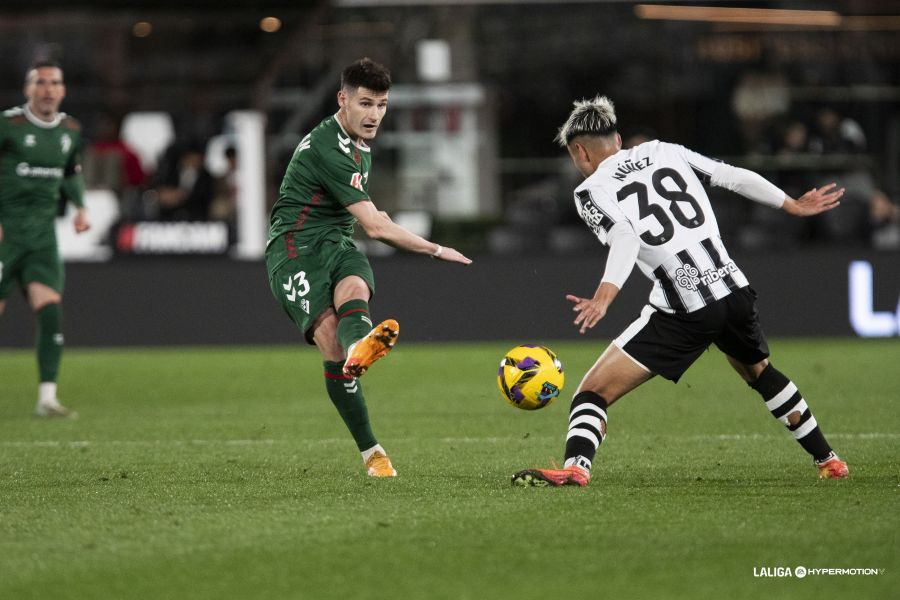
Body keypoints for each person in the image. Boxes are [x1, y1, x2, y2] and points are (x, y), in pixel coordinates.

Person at [513, 95, 848, 487]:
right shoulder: (665, 150)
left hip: (684, 309)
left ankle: (576, 468)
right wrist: (789, 203)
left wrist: (605, 294)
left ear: (580, 152)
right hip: (733, 289)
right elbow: (731, 175)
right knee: (760, 373)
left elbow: (624, 236)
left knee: (591, 393)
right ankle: (828, 459)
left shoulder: (591, 190)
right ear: (618, 139)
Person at [265, 58, 471, 477]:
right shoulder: (329, 147)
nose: (374, 115)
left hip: (336, 242)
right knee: (329, 341)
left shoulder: (357, 144)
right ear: (343, 99)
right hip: (293, 251)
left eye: (381, 104)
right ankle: (371, 452)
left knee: (356, 285)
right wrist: (435, 249)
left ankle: (361, 346)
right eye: (365, 104)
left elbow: (367, 216)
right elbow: (376, 227)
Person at [0, 60, 90, 418]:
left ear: (63, 90)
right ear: (28, 89)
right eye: (41, 82)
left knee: (51, 311)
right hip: (6, 235)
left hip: (42, 239)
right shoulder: (8, 125)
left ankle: (47, 399)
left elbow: (71, 172)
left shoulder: (70, 130)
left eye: (55, 82)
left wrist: (81, 207)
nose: (48, 89)